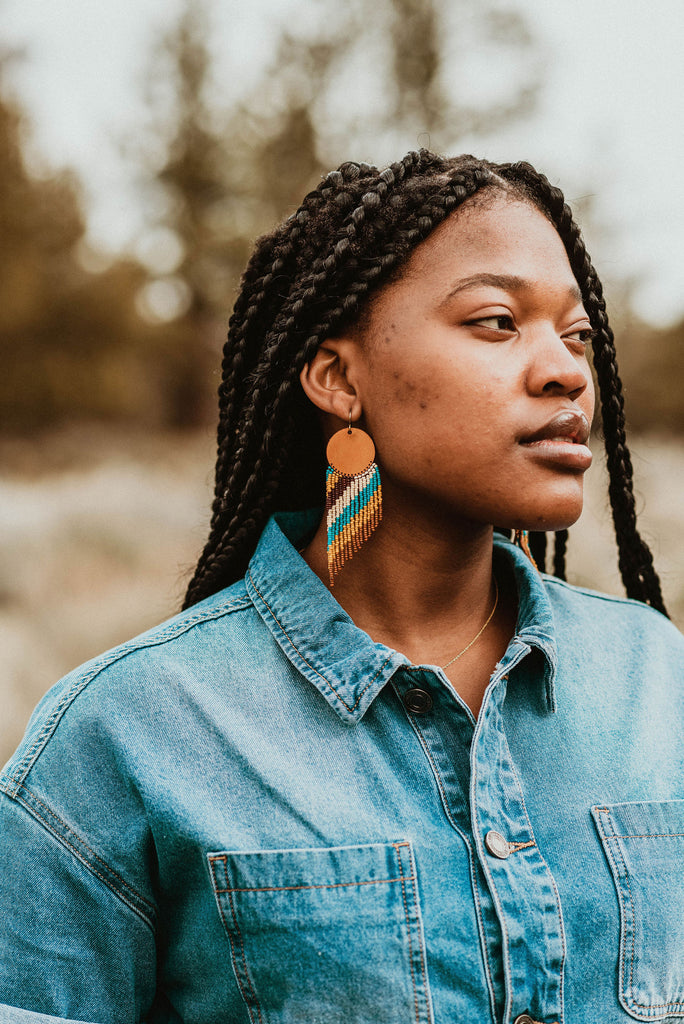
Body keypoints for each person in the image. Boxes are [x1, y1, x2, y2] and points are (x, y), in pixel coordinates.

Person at [1, 149, 682, 1024]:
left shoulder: (656, 679)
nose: (566, 371)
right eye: (498, 321)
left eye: (578, 334)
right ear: (337, 378)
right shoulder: (131, 735)